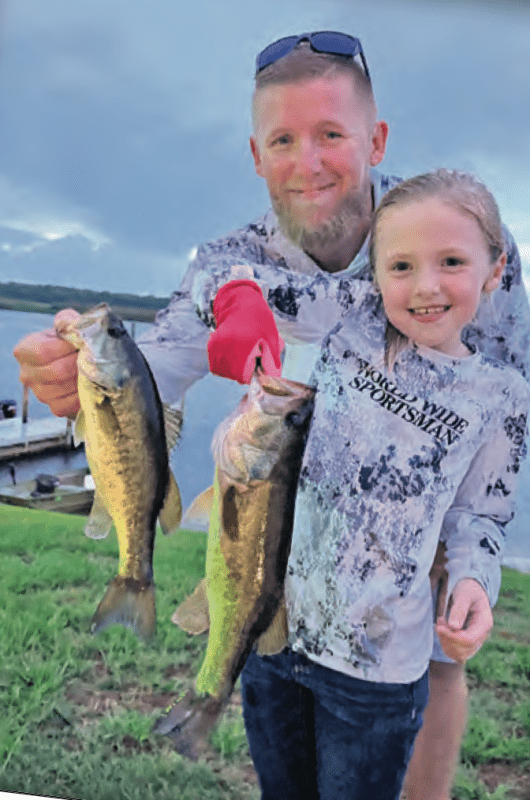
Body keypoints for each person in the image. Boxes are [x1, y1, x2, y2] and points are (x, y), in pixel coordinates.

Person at [12, 33, 530, 800]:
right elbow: (160, 365)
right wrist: (82, 376)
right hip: (282, 562)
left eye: (331, 134)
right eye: (283, 140)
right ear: (256, 156)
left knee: (439, 663)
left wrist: (468, 560)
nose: (308, 162)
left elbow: (500, 410)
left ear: (376, 140)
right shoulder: (231, 257)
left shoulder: (455, 233)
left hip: (403, 570)